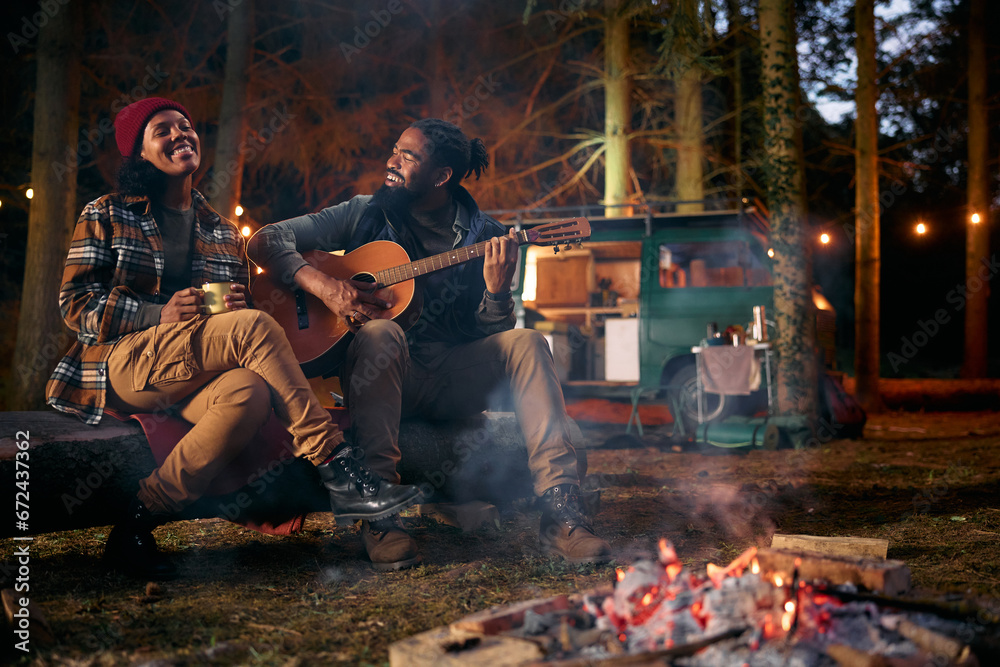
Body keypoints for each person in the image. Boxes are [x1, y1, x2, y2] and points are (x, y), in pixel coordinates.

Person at [45, 97, 423, 580]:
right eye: (162, 130)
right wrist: (159, 313)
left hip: (196, 369)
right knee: (250, 329)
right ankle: (337, 464)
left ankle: (137, 522)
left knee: (248, 393)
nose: (181, 133)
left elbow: (238, 321)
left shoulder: (223, 232)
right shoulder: (107, 213)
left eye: (185, 125)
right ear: (139, 153)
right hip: (122, 362)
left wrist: (245, 312)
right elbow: (74, 306)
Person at [248, 118, 612, 571]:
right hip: (383, 377)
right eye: (395, 150)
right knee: (382, 331)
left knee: (528, 342)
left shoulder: (488, 236)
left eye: (407, 156)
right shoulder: (364, 212)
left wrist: (498, 293)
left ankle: (561, 512)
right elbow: (267, 240)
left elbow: (490, 335)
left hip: (451, 375)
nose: (391, 161)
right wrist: (323, 286)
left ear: (441, 176)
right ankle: (379, 514)